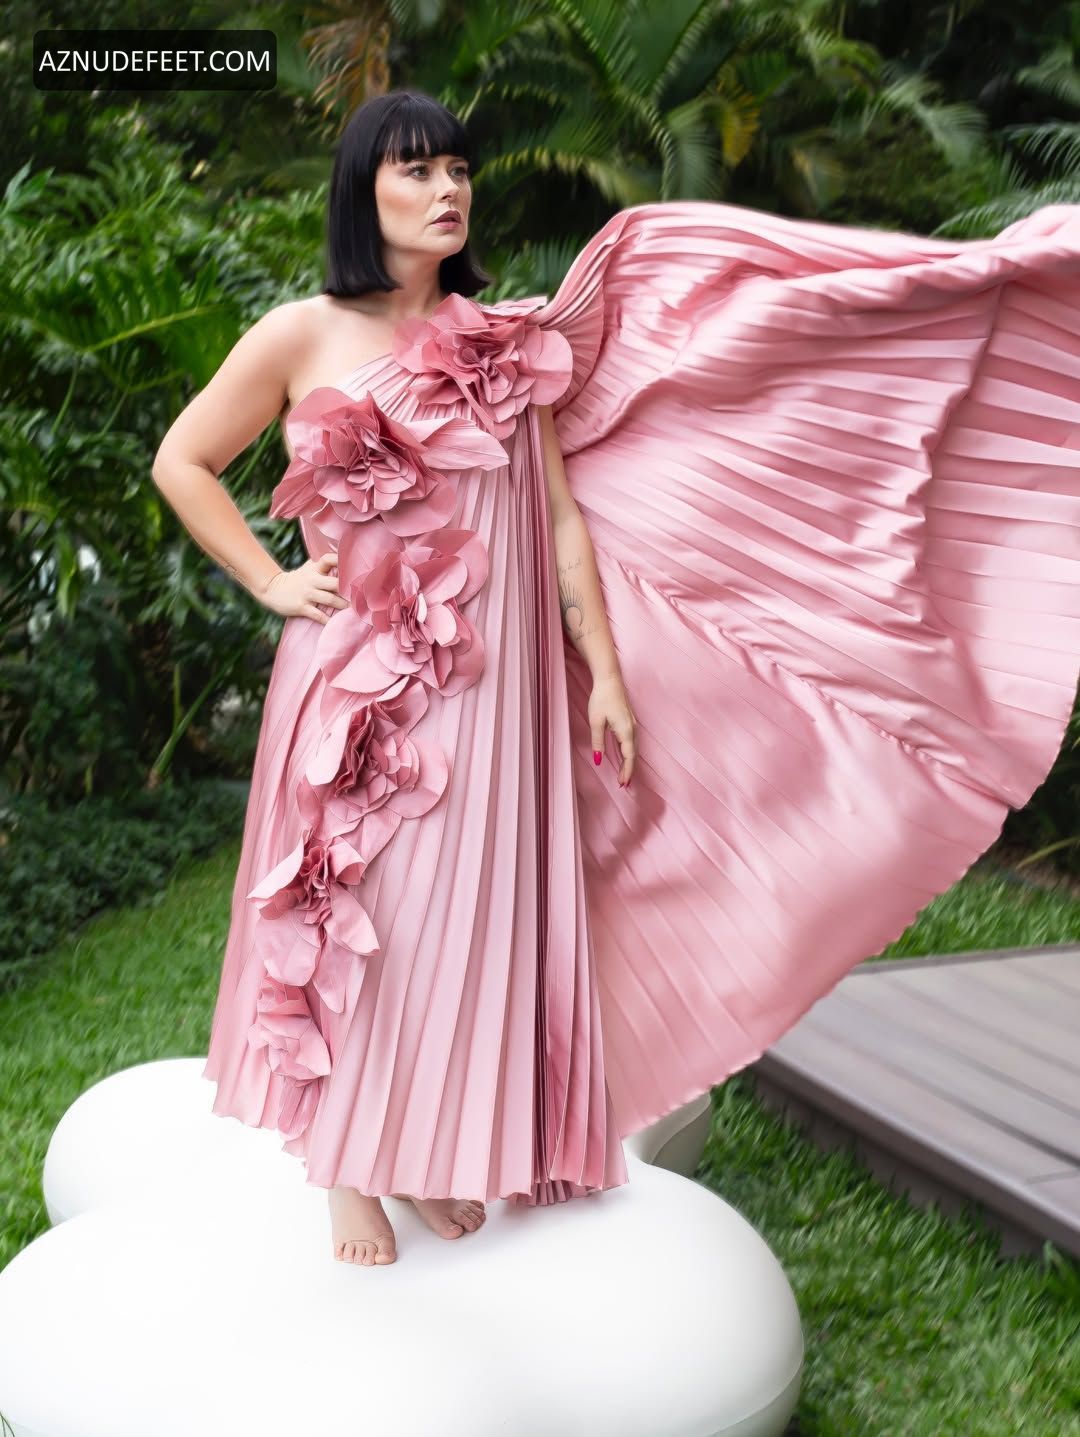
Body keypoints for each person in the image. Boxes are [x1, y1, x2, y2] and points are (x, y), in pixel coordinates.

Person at [153, 88, 1080, 1269]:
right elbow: (184, 459)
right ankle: (345, 1170)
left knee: (466, 930)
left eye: (458, 170)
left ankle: (421, 1147)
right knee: (365, 916)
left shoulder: (503, 341)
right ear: (360, 193)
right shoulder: (301, 333)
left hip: (497, 688)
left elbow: (558, 522)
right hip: (360, 683)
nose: (447, 191)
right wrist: (271, 581)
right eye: (416, 172)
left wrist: (602, 674)